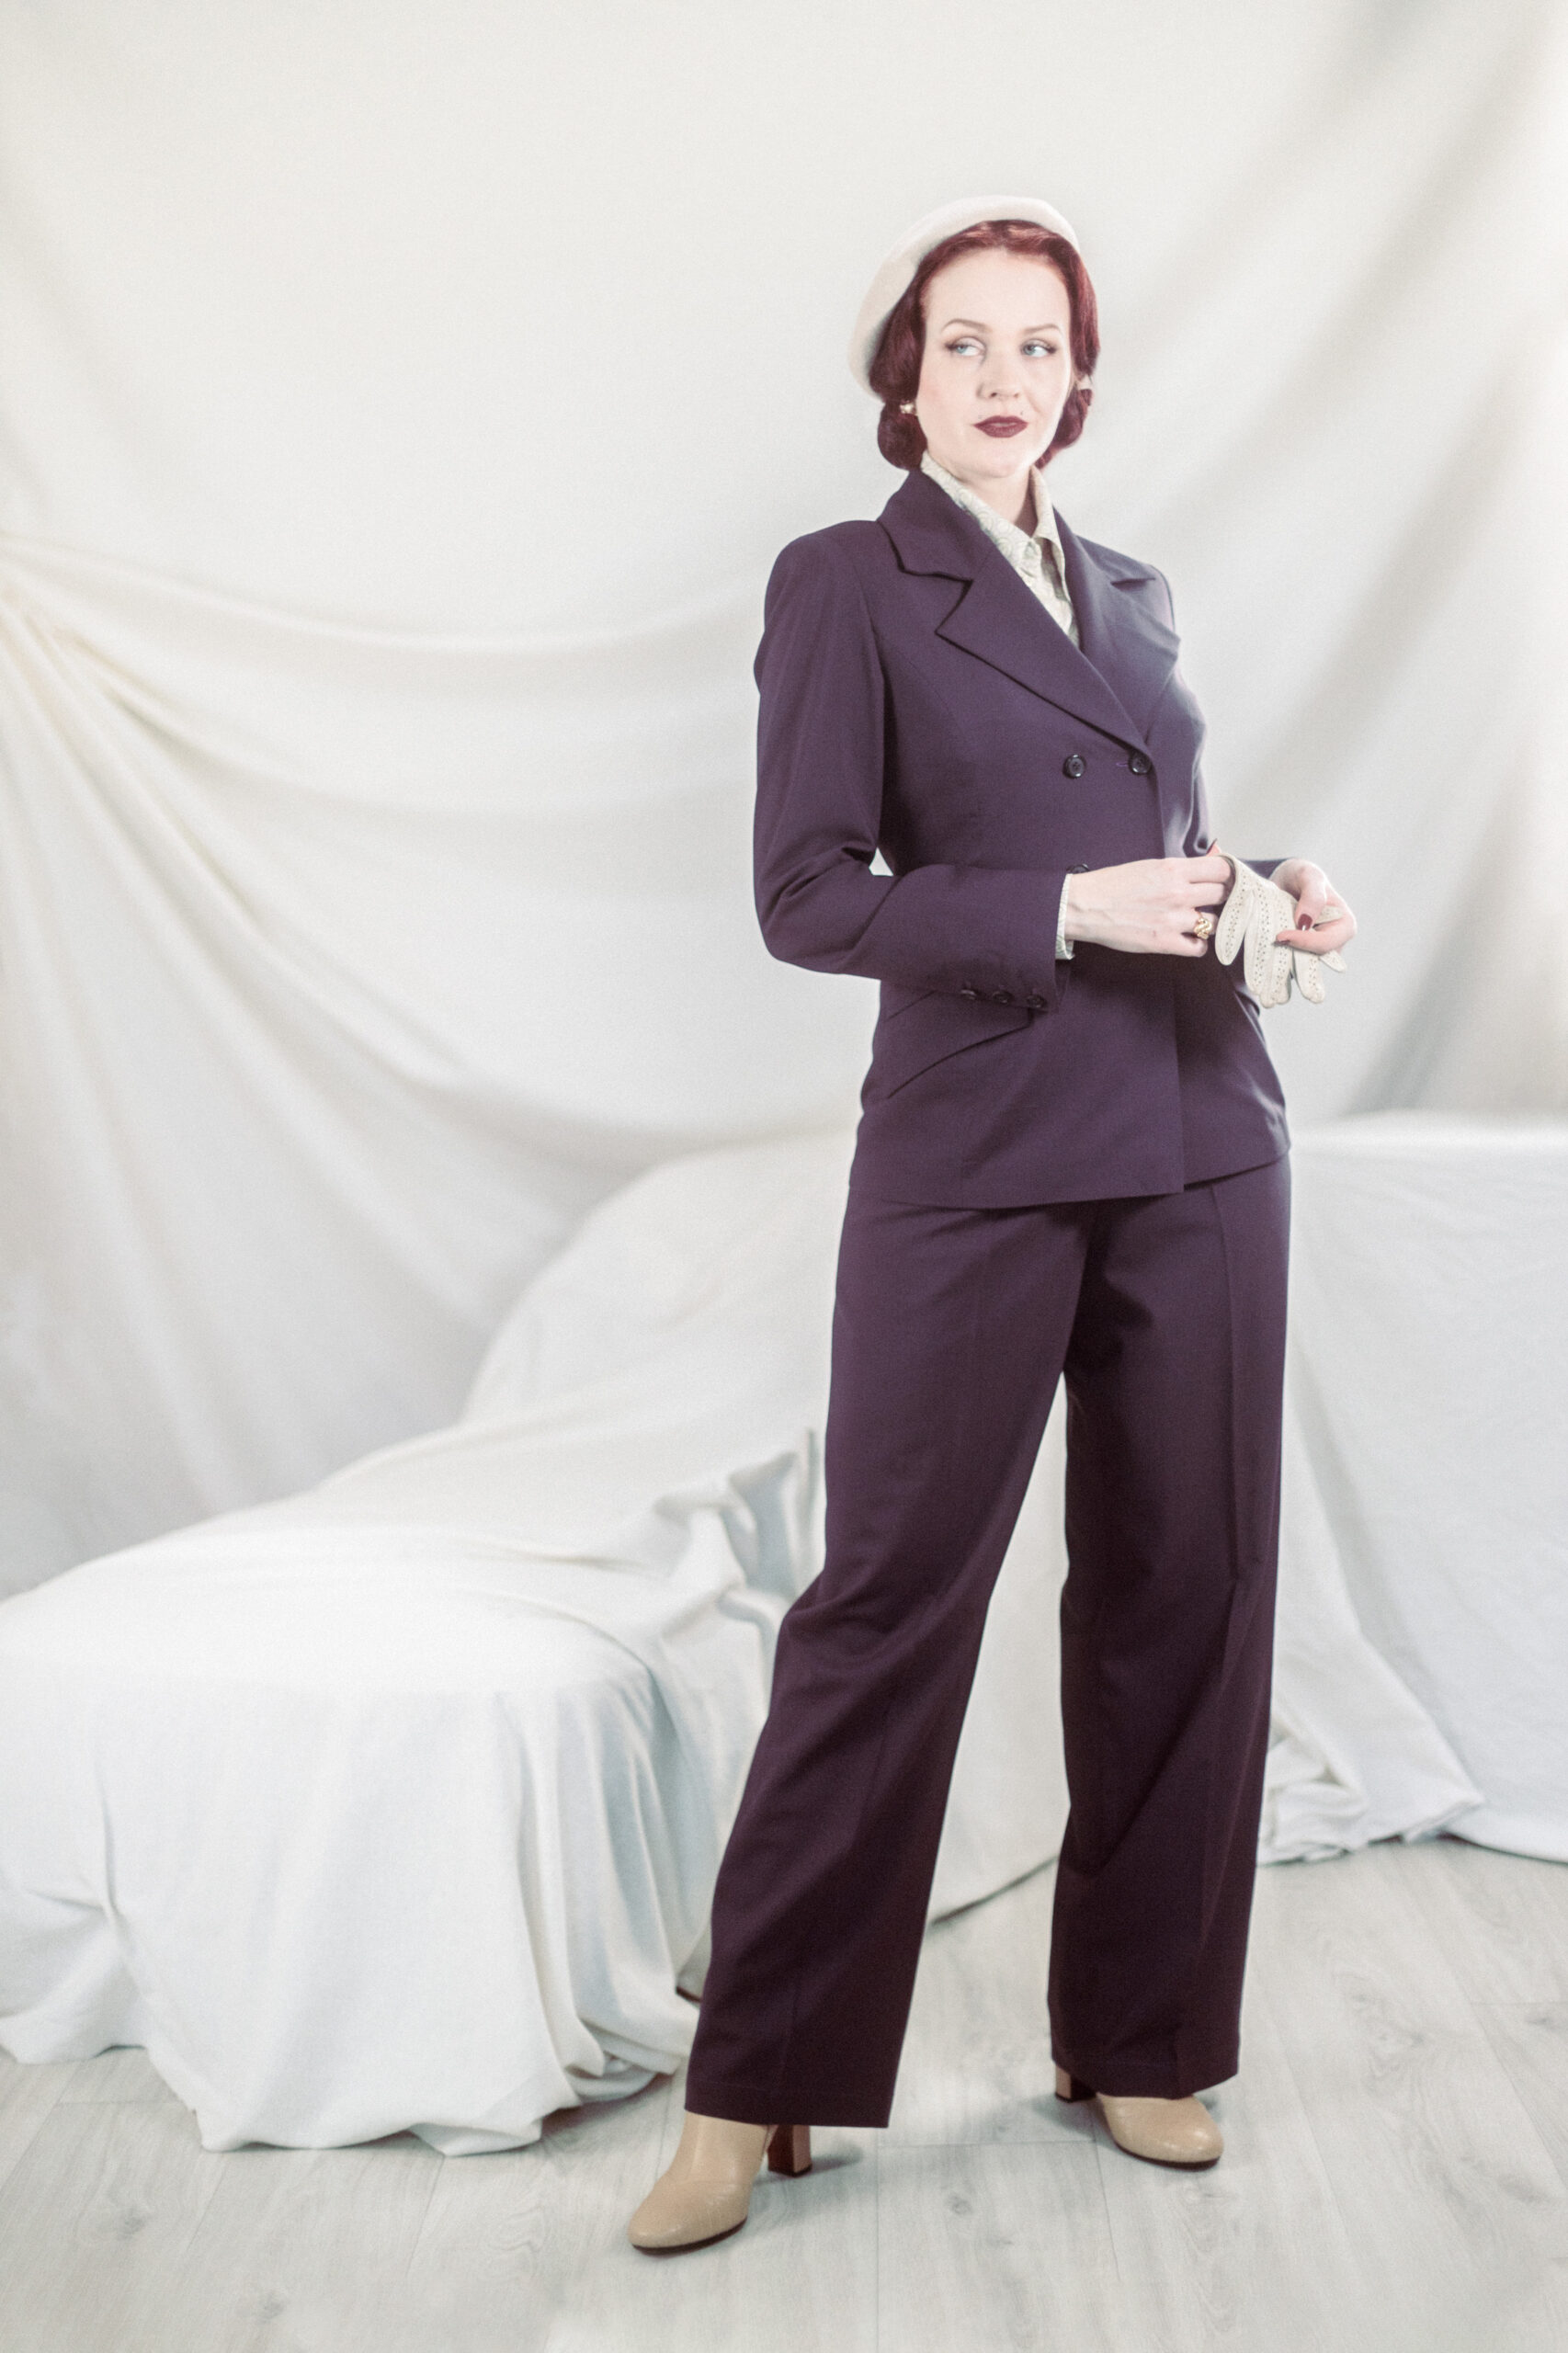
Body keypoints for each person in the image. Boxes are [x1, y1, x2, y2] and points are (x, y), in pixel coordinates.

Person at [629, 195, 1356, 2254]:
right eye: (965, 342)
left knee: (1190, 1585)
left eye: (1039, 344)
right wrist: (1058, 911)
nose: (1004, 376)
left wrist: (1270, 887)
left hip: (1204, 1133)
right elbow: (807, 895)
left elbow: (1149, 844)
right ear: (907, 377)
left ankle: (1140, 2034)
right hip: (974, 1152)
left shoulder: (1131, 588)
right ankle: (753, 2081)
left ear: (1078, 375)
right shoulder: (844, 581)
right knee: (886, 1600)